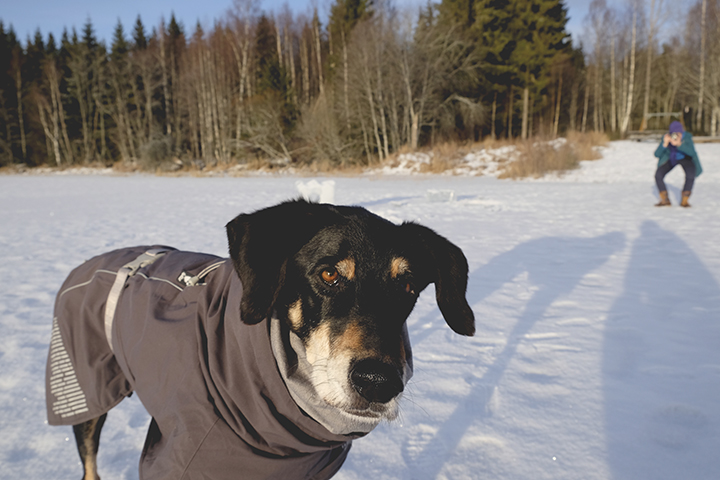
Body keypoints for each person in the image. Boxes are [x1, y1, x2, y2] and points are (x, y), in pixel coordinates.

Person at [653, 121, 703, 207]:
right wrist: (664, 144)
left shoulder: (687, 137)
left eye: (678, 133)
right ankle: (665, 199)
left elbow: (692, 152)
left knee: (691, 174)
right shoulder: (666, 137)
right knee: (658, 175)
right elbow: (656, 154)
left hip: (685, 158)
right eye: (673, 133)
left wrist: (680, 144)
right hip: (670, 158)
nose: (676, 135)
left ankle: (685, 200)